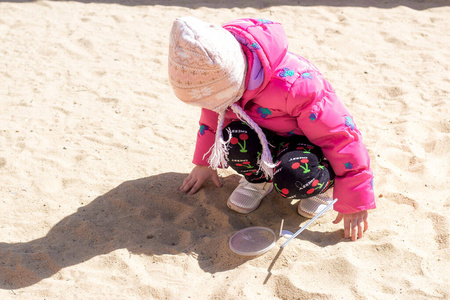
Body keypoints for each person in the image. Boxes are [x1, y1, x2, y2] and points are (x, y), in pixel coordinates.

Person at [168, 17, 375, 241]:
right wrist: (204, 163)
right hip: (265, 138)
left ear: (234, 77)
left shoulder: (295, 85)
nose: (213, 104)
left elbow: (339, 137)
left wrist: (355, 199)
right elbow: (212, 120)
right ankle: (258, 180)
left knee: (293, 177)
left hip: (307, 146)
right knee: (232, 139)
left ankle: (325, 185)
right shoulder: (220, 86)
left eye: (216, 99)